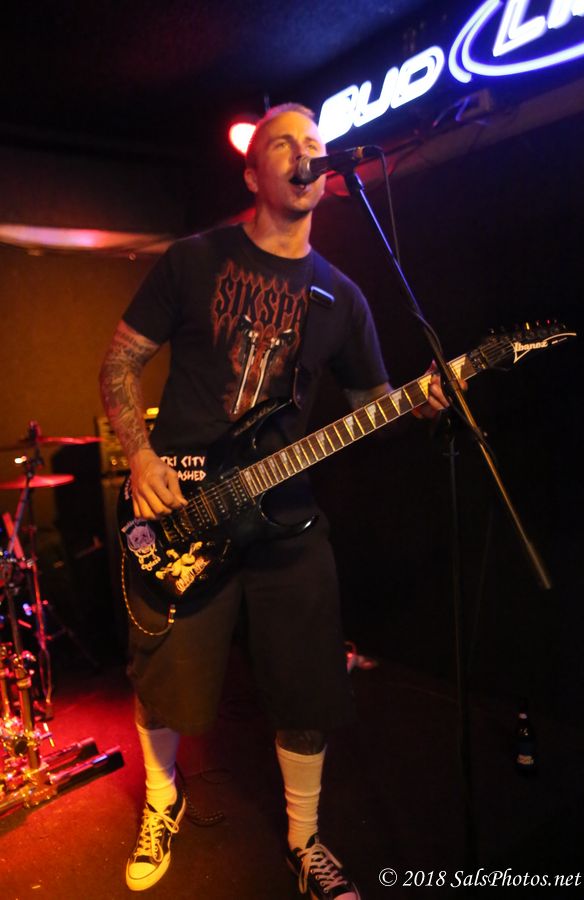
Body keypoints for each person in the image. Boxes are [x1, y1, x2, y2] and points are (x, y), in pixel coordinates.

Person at [99, 102, 451, 898]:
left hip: (287, 517)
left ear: (327, 177)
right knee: (164, 680)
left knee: (307, 687)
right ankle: (162, 800)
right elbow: (119, 364)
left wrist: (420, 404)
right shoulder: (194, 260)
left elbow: (370, 404)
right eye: (283, 144)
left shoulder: (342, 297)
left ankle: (304, 840)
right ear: (253, 172)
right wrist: (140, 454)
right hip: (184, 506)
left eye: (314, 145)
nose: (303, 155)